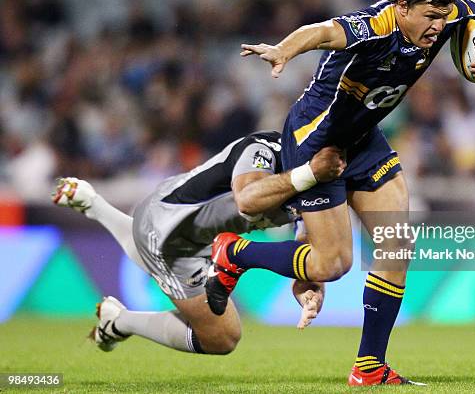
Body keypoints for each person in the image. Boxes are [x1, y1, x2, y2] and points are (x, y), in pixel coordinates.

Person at [205, 0, 475, 385]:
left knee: (397, 245)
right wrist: (282, 50)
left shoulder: (443, 13)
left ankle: (369, 367)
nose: (436, 28)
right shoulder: (374, 23)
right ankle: (234, 253)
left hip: (365, 139)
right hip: (317, 139)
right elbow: (321, 32)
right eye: (428, 17)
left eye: (442, 18)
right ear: (403, 6)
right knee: (331, 264)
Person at [52, 130, 346, 355]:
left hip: (198, 235)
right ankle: (119, 321)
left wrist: (312, 285)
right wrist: (308, 174)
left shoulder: (323, 175)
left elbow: (309, 234)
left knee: (164, 263)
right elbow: (248, 199)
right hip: (169, 231)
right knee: (223, 337)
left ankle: (94, 205)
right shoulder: (263, 150)